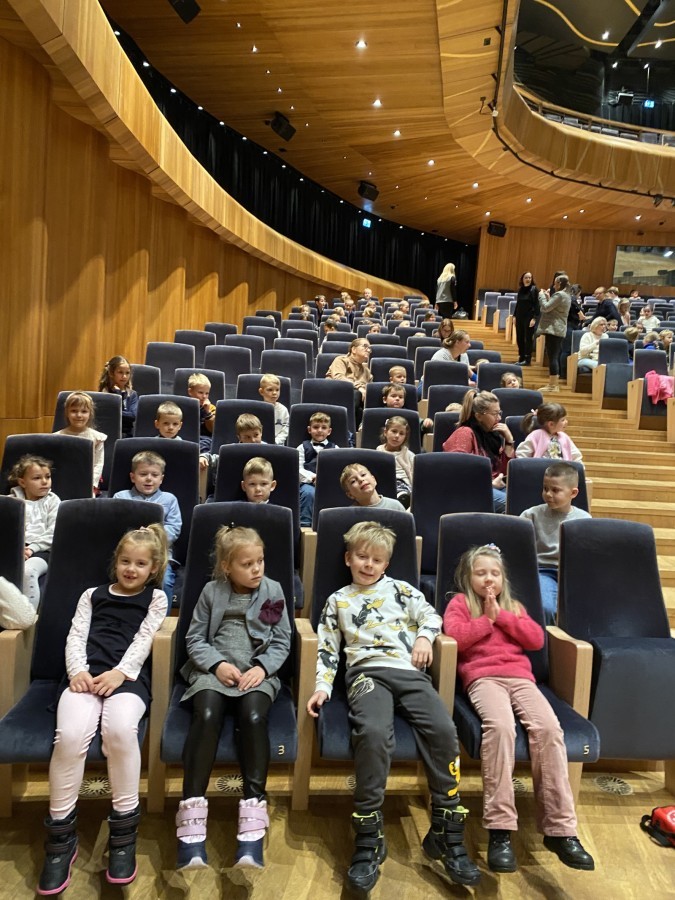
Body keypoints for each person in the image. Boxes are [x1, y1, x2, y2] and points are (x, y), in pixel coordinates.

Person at [306, 521, 481, 893]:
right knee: (372, 733)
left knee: (444, 730)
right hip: (366, 674)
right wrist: (322, 687)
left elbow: (431, 617)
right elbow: (327, 648)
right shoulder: (338, 600)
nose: (368, 565)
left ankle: (447, 825)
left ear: (386, 564)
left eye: (377, 560)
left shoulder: (402, 590)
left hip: (408, 671)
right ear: (348, 558)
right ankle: (369, 832)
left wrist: (424, 638)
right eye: (362, 557)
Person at [443, 543, 594, 873]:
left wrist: (503, 616)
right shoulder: (460, 603)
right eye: (481, 573)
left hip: (521, 679)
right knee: (500, 728)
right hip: (483, 678)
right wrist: (486, 620)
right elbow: (455, 637)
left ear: (503, 579)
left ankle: (560, 830)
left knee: (549, 730)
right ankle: (500, 829)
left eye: (495, 573)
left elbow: (535, 639)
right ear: (468, 578)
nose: (489, 579)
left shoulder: (514, 606)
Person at [36, 525, 169, 894]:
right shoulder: (92, 595)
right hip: (83, 676)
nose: (131, 569)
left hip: (126, 678)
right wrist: (77, 671)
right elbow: (76, 635)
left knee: (120, 732)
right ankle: (61, 839)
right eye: (125, 561)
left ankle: (123, 835)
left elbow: (144, 639)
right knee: (70, 737)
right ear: (115, 562)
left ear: (153, 568)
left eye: (140, 564)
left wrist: (120, 673)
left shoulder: (157, 598)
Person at [175, 525, 291, 869]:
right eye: (247, 564)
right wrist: (217, 664)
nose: (257, 569)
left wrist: (262, 668)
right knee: (207, 714)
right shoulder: (212, 591)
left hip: (256, 673)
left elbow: (281, 639)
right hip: (213, 672)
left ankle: (252, 818)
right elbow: (195, 639)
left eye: (260, 561)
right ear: (227, 567)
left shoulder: (272, 590)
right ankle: (192, 818)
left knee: (253, 717)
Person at [520, 462, 591, 623]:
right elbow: (516, 545)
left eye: (555, 490)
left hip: (572, 573)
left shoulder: (584, 519)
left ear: (573, 493)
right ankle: (547, 638)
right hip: (543, 570)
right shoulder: (530, 515)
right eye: (545, 488)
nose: (548, 494)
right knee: (546, 607)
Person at [112, 451, 181, 602]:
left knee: (165, 581)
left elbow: (174, 527)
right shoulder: (120, 497)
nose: (149, 478)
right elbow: (114, 525)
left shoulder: (169, 499)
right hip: (128, 554)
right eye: (143, 474)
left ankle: (162, 614)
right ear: (133, 477)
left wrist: (154, 535)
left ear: (161, 479)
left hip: (159, 555)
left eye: (154, 475)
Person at [442, 390, 515, 513]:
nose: (499, 418)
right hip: (469, 492)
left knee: (523, 498)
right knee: (513, 504)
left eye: (499, 413)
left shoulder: (492, 436)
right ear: (479, 416)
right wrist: (490, 484)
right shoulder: (464, 433)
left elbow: (503, 472)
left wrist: (509, 441)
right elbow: (456, 475)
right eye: (495, 414)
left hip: (492, 487)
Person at [8, 454, 60, 611]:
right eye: (37, 478)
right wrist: (16, 549)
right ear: (22, 482)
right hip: (14, 549)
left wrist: (31, 549)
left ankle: (27, 618)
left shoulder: (53, 501)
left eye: (48, 477)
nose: (44, 482)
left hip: (42, 551)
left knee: (27, 571)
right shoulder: (10, 501)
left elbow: (55, 532)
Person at [56, 391, 107, 494]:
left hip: (88, 482)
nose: (79, 415)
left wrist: (92, 484)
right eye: (74, 411)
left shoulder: (97, 438)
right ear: (67, 413)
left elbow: (98, 464)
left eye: (84, 411)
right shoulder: (56, 437)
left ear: (90, 414)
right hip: (63, 482)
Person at [298, 411, 339, 527]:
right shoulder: (302, 447)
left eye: (324, 427)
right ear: (309, 429)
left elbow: (337, 468)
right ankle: (305, 524)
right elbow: (298, 468)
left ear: (329, 431)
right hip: (308, 483)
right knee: (308, 494)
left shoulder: (335, 448)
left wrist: (324, 479)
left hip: (329, 484)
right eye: (316, 427)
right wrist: (313, 478)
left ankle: (331, 525)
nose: (320, 430)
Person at [326, 338, 373, 427]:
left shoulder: (367, 371)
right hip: (335, 395)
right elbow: (338, 377)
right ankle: (343, 426)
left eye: (370, 348)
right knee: (356, 393)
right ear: (354, 349)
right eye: (365, 346)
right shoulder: (341, 360)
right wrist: (359, 387)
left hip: (357, 403)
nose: (368, 350)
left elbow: (368, 390)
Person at [516, 403, 583, 462]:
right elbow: (522, 454)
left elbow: (576, 456)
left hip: (562, 471)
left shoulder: (564, 437)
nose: (566, 422)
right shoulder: (536, 435)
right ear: (551, 424)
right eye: (563, 420)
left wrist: (580, 468)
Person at [376, 415, 414, 508]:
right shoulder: (378, 451)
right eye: (394, 431)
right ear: (385, 432)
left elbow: (413, 475)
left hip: (404, 483)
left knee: (404, 491)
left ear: (405, 437)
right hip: (386, 482)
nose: (397, 436)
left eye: (401, 434)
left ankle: (403, 498)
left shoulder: (409, 455)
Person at [340, 464, 406, 512]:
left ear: (374, 480)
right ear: (350, 495)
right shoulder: (349, 514)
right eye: (353, 481)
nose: (360, 479)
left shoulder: (396, 507)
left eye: (363, 475)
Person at [98, 356, 137, 437]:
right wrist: (118, 393)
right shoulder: (105, 393)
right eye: (120, 372)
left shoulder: (132, 394)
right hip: (109, 433)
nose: (124, 376)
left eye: (127, 373)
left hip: (128, 435)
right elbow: (111, 417)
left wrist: (116, 413)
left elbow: (132, 416)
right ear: (111, 373)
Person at [514, 272, 539, 366]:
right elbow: (518, 304)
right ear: (522, 279)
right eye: (526, 277)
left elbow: (536, 304)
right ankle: (521, 357)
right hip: (519, 316)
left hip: (529, 317)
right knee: (519, 337)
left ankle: (527, 359)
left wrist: (534, 318)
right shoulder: (520, 289)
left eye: (529, 277)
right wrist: (514, 316)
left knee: (528, 338)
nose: (528, 279)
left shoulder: (534, 289)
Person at [187, 373, 216, 453]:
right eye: (200, 392)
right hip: (187, 438)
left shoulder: (211, 408)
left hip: (205, 439)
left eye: (207, 393)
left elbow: (213, 430)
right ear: (190, 392)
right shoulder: (184, 406)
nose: (204, 396)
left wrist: (207, 412)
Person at [258, 373, 289, 445]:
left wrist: (275, 442)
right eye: (270, 390)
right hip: (260, 444)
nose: (274, 393)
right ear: (261, 391)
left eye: (277, 390)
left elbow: (285, 430)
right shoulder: (257, 408)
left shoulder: (283, 410)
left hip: (278, 445)